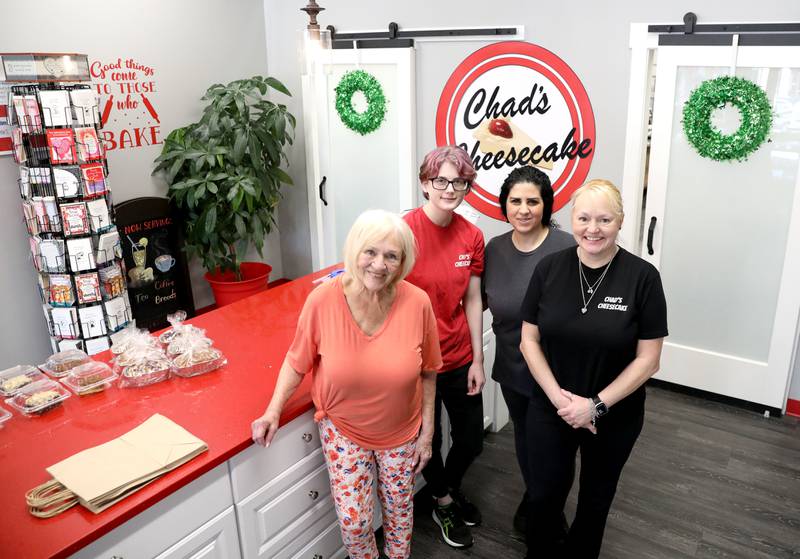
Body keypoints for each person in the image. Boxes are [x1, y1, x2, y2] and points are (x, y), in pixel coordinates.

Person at [251, 210, 442, 559]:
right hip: (343, 430)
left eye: (391, 255)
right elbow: (296, 362)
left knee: (400, 513)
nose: (379, 264)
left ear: (402, 263)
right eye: (370, 251)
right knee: (355, 523)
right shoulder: (323, 300)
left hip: (401, 432)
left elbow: (429, 370)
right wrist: (272, 411)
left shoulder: (417, 303)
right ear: (354, 250)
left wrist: (427, 434)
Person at [519, 179, 668, 558]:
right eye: (583, 218)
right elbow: (528, 341)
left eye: (604, 219)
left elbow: (648, 359)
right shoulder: (548, 269)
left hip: (614, 414)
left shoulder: (643, 278)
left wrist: (594, 406)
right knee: (543, 495)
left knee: (594, 501)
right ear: (571, 219)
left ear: (620, 221)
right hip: (551, 407)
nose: (593, 229)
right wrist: (560, 401)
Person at [482, 166, 575, 536]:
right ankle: (537, 497)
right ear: (504, 204)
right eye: (515, 200)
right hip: (513, 368)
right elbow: (480, 302)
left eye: (532, 201)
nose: (523, 209)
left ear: (545, 206)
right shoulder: (495, 249)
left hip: (558, 372)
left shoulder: (567, 246)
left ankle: (548, 511)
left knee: (557, 447)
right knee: (525, 438)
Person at [403, 146, 485, 549]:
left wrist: (478, 360)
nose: (449, 188)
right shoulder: (403, 232)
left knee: (471, 439)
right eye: (440, 180)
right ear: (424, 184)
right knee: (429, 444)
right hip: (416, 364)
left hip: (457, 355)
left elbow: (472, 299)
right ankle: (444, 501)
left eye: (459, 181)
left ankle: (445, 490)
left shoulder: (471, 235)